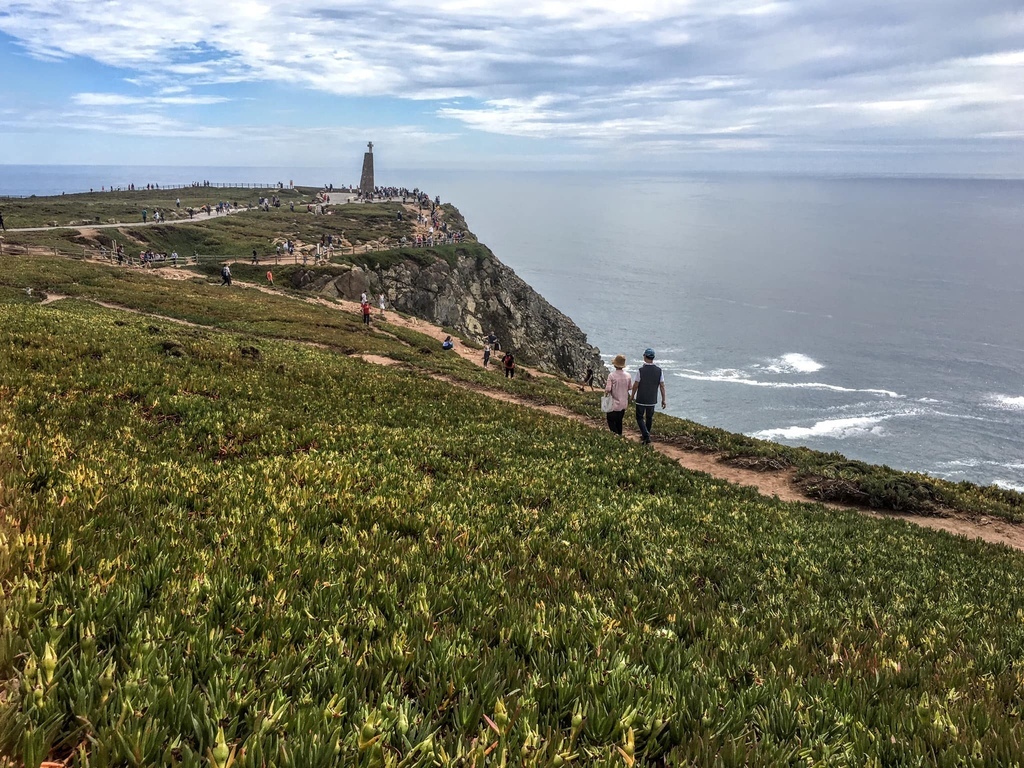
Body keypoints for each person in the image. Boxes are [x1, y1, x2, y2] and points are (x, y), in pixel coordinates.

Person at [630, 348, 666, 445]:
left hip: (641, 398)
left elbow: (636, 385)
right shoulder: (659, 371)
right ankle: (646, 434)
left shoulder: (641, 370)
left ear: (645, 357)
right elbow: (662, 386)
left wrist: (632, 395)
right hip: (652, 399)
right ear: (653, 358)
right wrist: (663, 400)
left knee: (639, 417)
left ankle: (646, 435)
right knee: (649, 417)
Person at [604, 355, 631, 436]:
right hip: (623, 404)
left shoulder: (611, 376)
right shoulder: (628, 376)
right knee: (619, 421)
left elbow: (608, 389)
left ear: (615, 364)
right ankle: (620, 436)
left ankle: (615, 436)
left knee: (610, 420)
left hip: (614, 404)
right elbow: (630, 387)